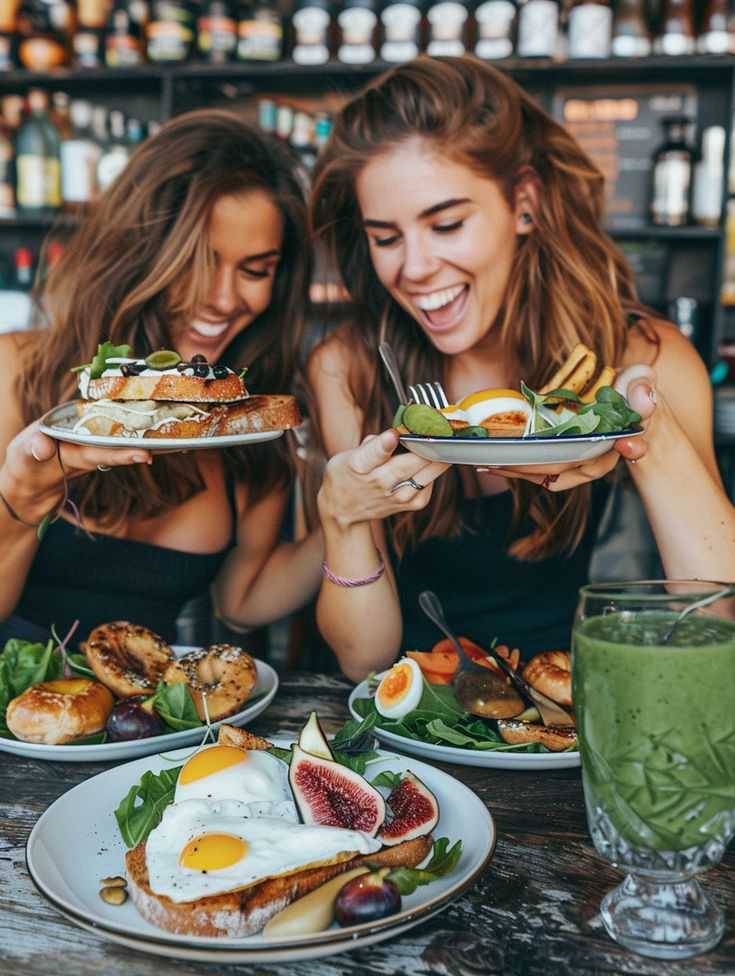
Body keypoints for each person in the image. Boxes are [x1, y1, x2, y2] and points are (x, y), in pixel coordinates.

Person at [306, 56, 735, 682]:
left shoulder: (646, 355)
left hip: (565, 708)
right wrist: (341, 517)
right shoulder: (349, 368)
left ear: (525, 204)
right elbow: (363, 659)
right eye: (386, 237)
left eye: (447, 223)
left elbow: (718, 613)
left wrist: (647, 429)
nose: (415, 267)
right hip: (412, 714)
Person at [0, 108, 323, 647]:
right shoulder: (16, 372)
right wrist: (18, 507)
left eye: (255, 269)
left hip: (154, 723)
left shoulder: (247, 425)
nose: (222, 300)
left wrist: (348, 515)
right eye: (199, 261)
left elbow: (243, 602)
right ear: (142, 252)